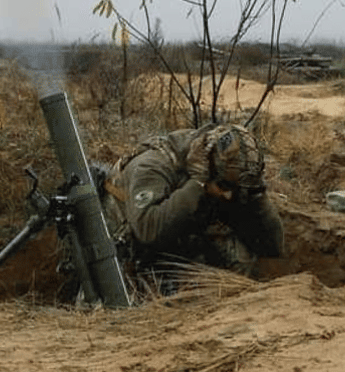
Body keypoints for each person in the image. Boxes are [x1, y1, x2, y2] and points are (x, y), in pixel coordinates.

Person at [99, 123, 285, 293]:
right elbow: (148, 230)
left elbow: (272, 246)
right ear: (205, 169)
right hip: (133, 243)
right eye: (224, 186)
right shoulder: (151, 167)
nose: (228, 195)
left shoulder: (218, 161)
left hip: (180, 227)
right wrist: (198, 186)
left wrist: (256, 194)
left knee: (239, 256)